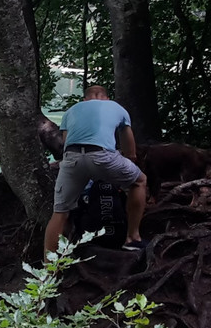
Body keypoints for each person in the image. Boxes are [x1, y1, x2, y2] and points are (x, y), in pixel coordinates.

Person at [43, 85, 147, 256]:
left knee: (60, 212)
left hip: (71, 159)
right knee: (139, 181)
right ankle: (132, 239)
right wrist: (128, 160)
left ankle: (48, 273)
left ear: (85, 99)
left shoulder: (71, 111)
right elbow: (129, 148)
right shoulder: (116, 107)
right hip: (103, 157)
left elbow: (66, 143)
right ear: (106, 98)